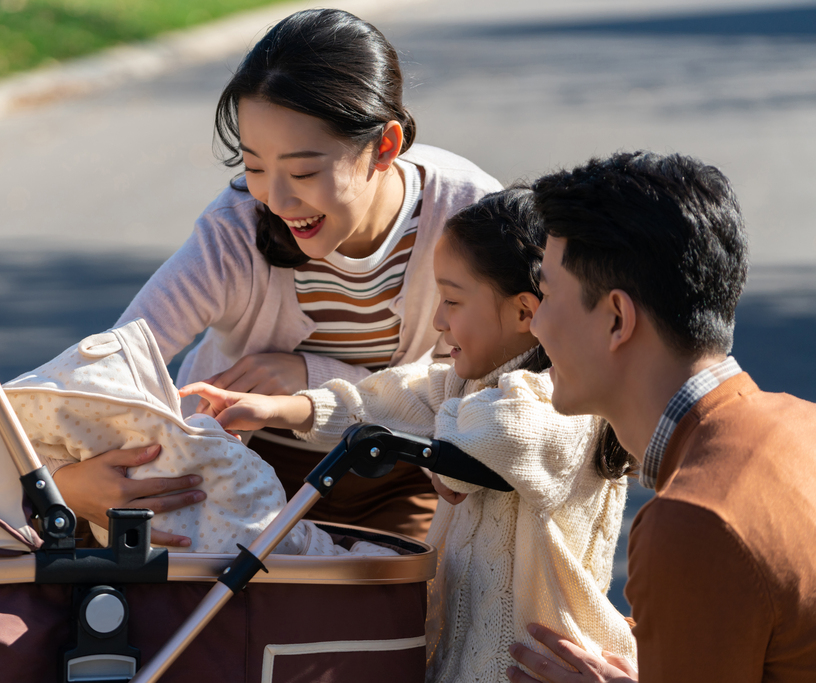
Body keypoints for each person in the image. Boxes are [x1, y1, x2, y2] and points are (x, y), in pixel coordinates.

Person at [52, 8, 502, 541]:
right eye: (255, 167)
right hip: (238, 477)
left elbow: (486, 398)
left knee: (410, 618)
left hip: (404, 477)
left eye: (304, 171)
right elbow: (107, 370)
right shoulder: (236, 228)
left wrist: (311, 381)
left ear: (384, 146)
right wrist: (66, 483)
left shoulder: (470, 216)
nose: (278, 200)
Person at [182, 188, 637, 682]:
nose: (439, 321)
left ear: (524, 313)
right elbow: (383, 398)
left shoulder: (566, 401)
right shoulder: (465, 385)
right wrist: (277, 409)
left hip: (541, 665)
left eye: (453, 301)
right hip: (467, 657)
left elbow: (506, 430)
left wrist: (443, 451)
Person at [507, 151, 816, 682]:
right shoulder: (800, 422)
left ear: (617, 319)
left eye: (549, 295)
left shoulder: (694, 521)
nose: (534, 325)